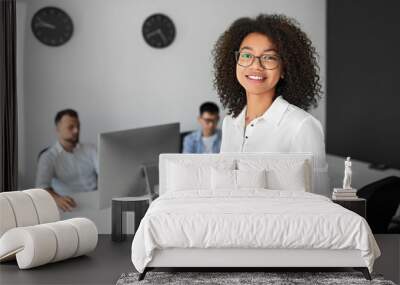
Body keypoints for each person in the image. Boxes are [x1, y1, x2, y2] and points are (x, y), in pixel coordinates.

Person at [213, 14, 329, 196]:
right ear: (234, 62)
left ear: (284, 68)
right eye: (246, 55)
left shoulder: (302, 126)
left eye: (269, 57)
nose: (256, 65)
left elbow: (319, 200)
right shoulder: (230, 123)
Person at [36, 109, 98, 211]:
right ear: (58, 129)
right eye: (71, 127)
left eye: (78, 126)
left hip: (95, 201)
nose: (76, 131)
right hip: (69, 205)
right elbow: (41, 187)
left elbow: (105, 173)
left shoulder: (91, 149)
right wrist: (57, 199)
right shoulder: (48, 157)